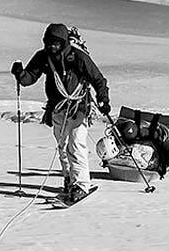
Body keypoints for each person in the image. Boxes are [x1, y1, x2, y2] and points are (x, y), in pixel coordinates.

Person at [12, 22, 110, 204]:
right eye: (48, 42)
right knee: (63, 146)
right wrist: (20, 74)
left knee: (76, 143)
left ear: (64, 42)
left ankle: (81, 185)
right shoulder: (43, 57)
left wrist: (104, 99)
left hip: (78, 107)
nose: (51, 46)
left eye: (55, 43)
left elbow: (98, 79)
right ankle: (69, 178)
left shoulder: (78, 57)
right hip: (57, 107)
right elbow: (29, 78)